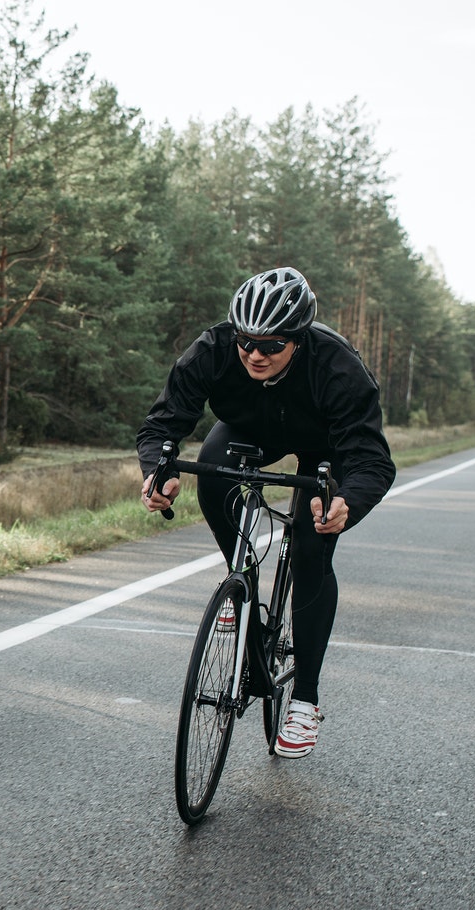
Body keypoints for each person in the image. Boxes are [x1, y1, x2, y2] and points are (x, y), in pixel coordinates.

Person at [137, 266, 395, 758]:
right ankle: (243, 590)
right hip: (246, 430)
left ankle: (305, 700)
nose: (255, 354)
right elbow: (163, 426)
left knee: (310, 544)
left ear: (297, 340)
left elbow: (371, 460)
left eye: (272, 345)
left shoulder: (338, 367)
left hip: (324, 446)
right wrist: (158, 471)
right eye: (246, 341)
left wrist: (348, 501)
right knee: (211, 475)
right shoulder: (213, 348)